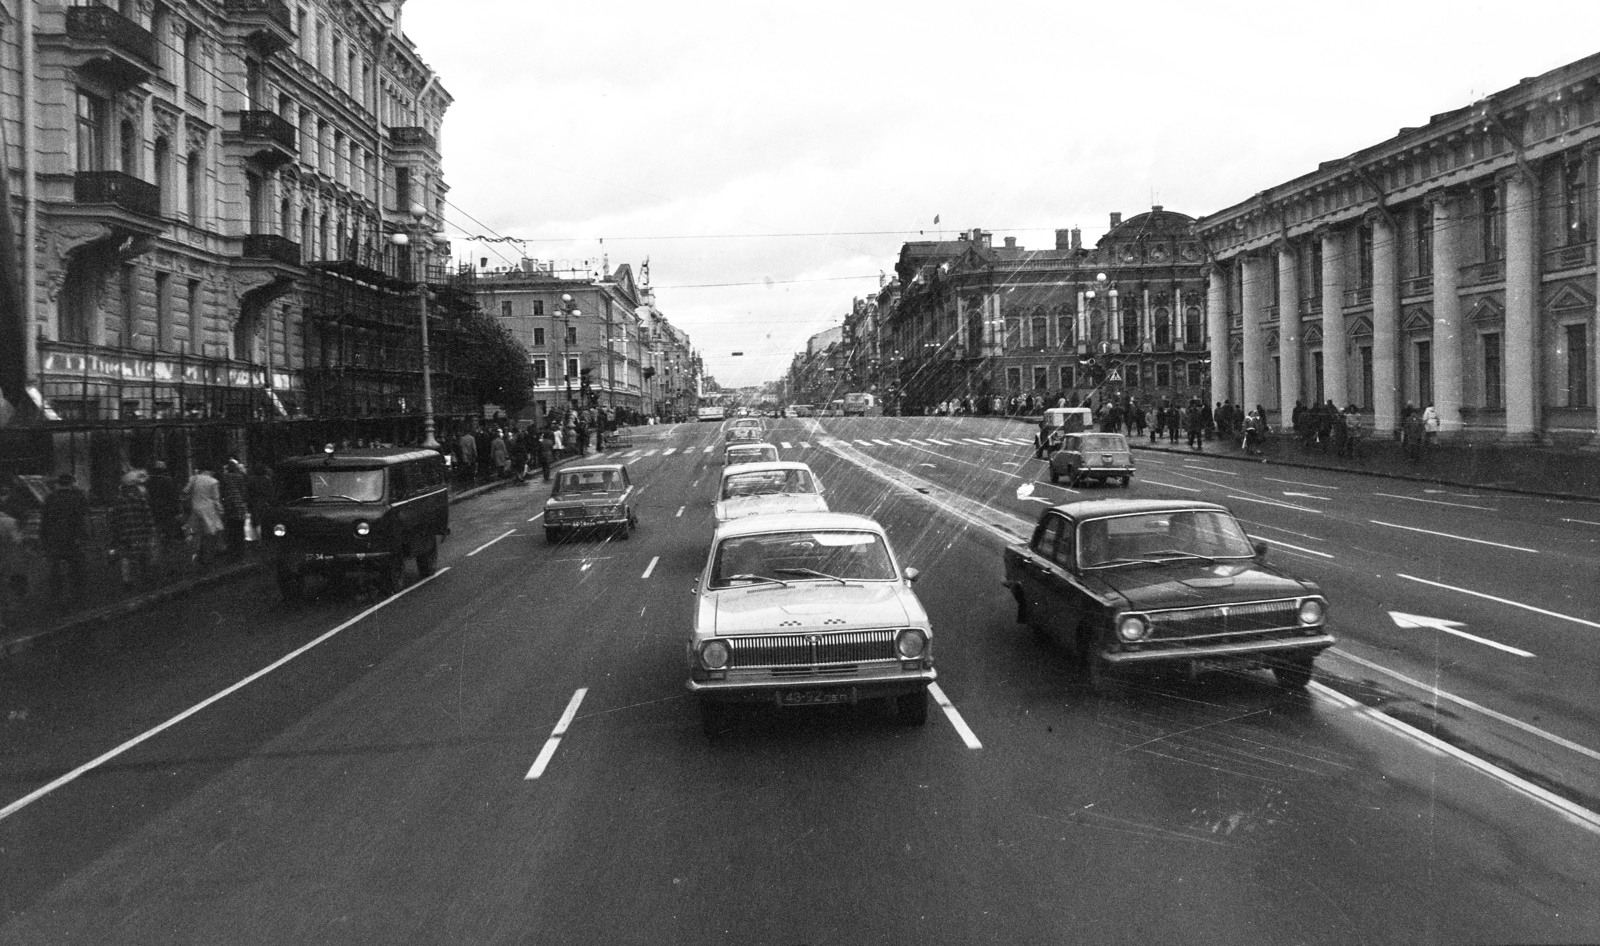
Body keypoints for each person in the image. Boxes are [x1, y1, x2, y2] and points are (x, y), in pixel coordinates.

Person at [38, 473, 90, 599]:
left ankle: (56, 594)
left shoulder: (50, 497)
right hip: (73, 537)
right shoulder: (78, 497)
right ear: (71, 483)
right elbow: (84, 517)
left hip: (54, 537)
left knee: (55, 567)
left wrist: (43, 538)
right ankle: (77, 594)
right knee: (76, 567)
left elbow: (44, 519)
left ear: (58, 483)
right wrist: (84, 535)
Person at [111, 471, 157, 589]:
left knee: (126, 557)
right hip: (141, 533)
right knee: (144, 556)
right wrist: (151, 532)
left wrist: (115, 535)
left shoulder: (118, 501)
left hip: (125, 534)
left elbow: (114, 520)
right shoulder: (140, 499)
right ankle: (146, 580)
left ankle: (127, 581)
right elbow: (148, 517)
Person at [183, 466, 224, 571]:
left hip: (195, 509)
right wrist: (220, 511)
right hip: (209, 511)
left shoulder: (194, 478)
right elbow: (216, 499)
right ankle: (207, 558)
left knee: (196, 534)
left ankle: (197, 556)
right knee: (209, 535)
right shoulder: (213, 481)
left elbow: (186, 490)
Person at [219, 459, 249, 555]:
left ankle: (232, 548)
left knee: (231, 527)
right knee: (240, 527)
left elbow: (222, 491)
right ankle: (241, 549)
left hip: (229, 505)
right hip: (239, 505)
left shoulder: (225, 477)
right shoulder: (239, 477)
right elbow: (243, 491)